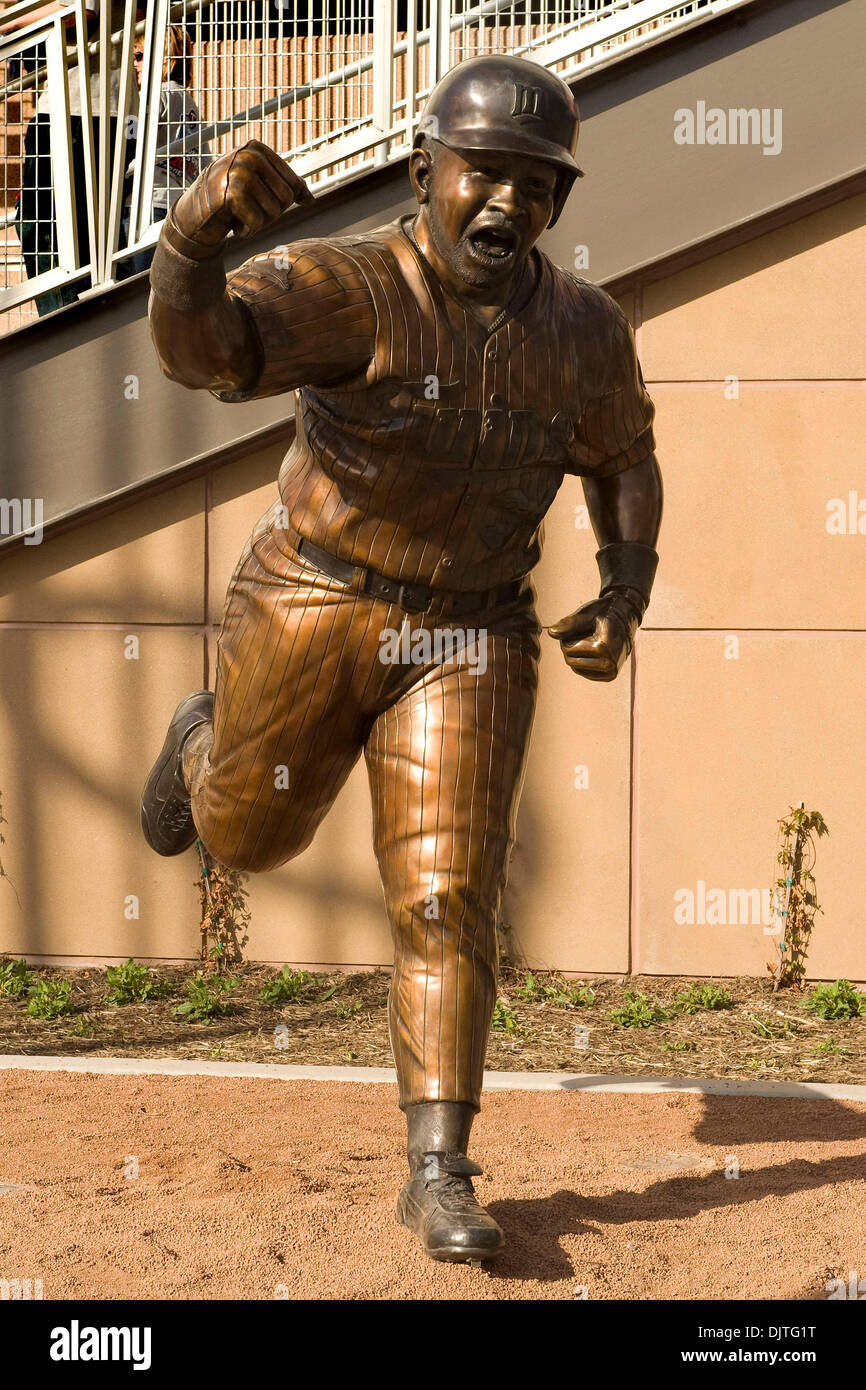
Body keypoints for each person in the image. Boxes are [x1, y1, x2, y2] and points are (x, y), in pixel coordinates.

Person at [141, 54, 663, 1264]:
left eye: (535, 188)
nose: (505, 206)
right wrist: (189, 241)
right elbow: (203, 354)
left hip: (471, 630)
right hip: (316, 600)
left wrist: (622, 588)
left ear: (558, 205)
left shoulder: (582, 331)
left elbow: (622, 454)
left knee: (446, 893)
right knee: (248, 837)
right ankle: (196, 737)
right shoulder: (351, 287)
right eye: (483, 174)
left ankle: (438, 1169)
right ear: (425, 172)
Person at [4, 0, 138, 313]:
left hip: (80, 107)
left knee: (42, 225)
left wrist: (9, 24)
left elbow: (78, 12)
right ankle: (103, 320)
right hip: (110, 105)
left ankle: (67, 323)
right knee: (97, 235)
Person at [122, 24, 210, 276]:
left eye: (139, 57)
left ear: (164, 59)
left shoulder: (155, 95)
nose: (134, 65)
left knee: (139, 284)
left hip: (150, 203)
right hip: (180, 205)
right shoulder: (187, 100)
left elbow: (131, 137)